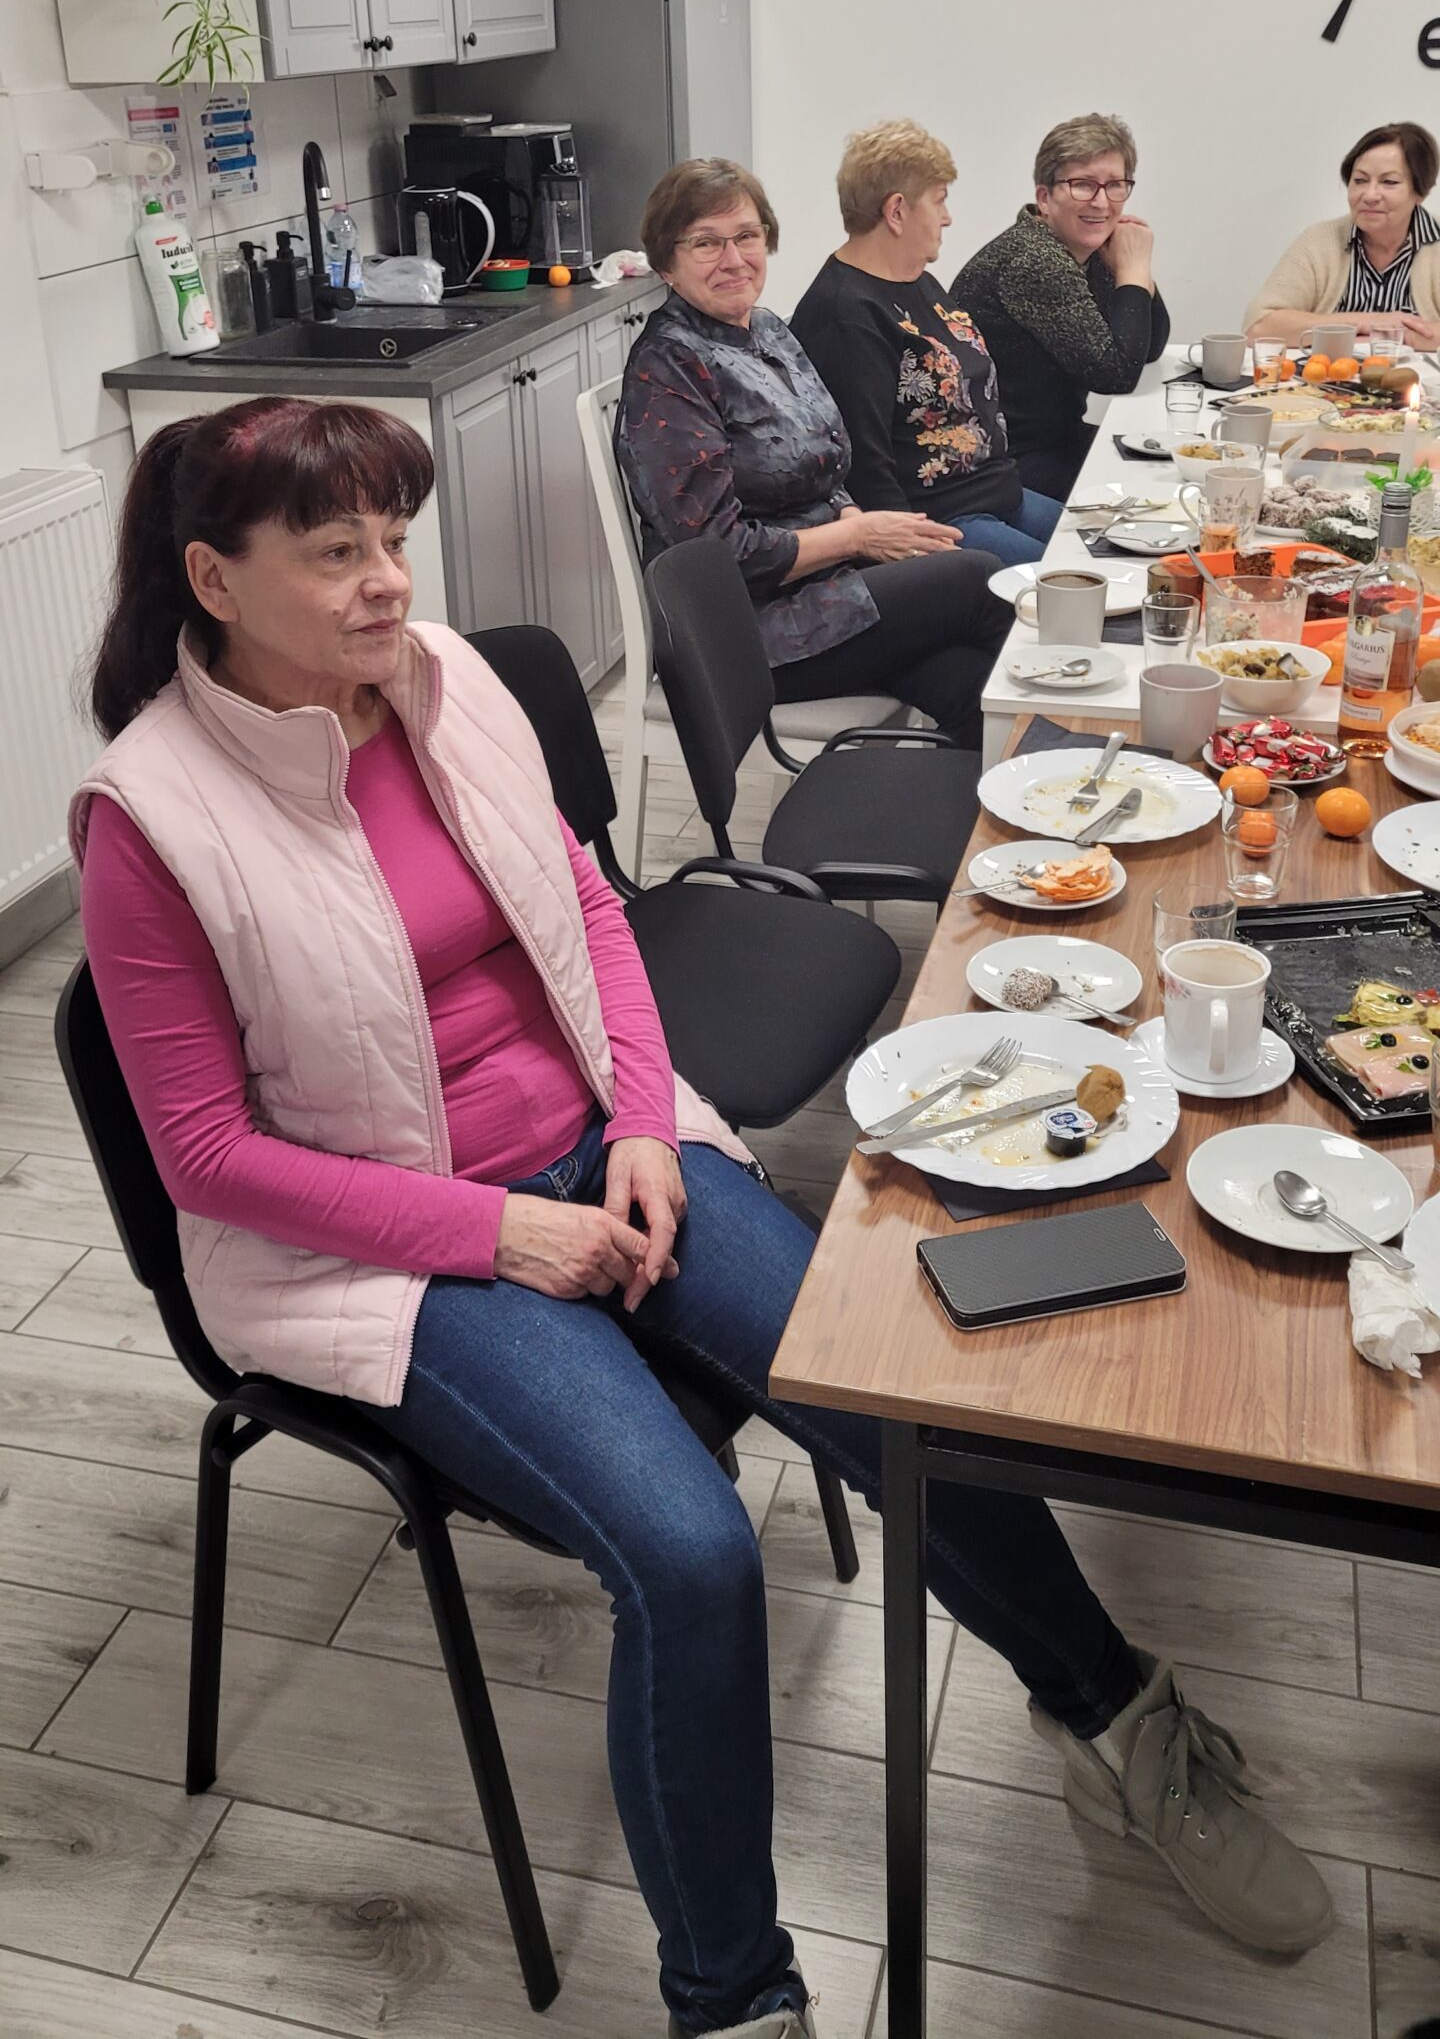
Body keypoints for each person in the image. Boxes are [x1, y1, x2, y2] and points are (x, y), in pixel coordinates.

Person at [75, 399, 1332, 2039]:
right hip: (391, 1243)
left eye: (393, 540)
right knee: (689, 1554)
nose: (388, 581)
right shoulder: (155, 817)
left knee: (897, 1385)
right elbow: (205, 1161)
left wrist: (646, 1123)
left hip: (606, 1143)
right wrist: (500, 1237)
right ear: (213, 581)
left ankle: (1115, 1716)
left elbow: (589, 911)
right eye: (335, 554)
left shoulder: (443, 685)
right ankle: (736, 2004)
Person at [616, 158, 1009, 749]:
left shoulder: (768, 330)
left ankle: (934, 807)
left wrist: (857, 522)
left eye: (747, 236)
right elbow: (717, 556)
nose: (733, 259)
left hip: (827, 594)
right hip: (742, 634)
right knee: (981, 579)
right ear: (666, 264)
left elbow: (824, 465)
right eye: (706, 243)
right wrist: (857, 538)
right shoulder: (669, 367)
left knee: (972, 683)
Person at [789, 118, 1061, 566]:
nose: (947, 217)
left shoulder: (920, 282)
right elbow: (866, 471)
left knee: (1109, 555)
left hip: (998, 492)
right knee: (1079, 589)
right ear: (897, 211)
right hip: (941, 520)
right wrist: (923, 566)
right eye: (939, 201)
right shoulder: (845, 315)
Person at [948, 114, 1170, 502]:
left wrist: (1131, 270)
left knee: (1171, 465)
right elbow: (1117, 374)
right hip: (1005, 458)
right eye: (1083, 185)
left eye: (1115, 185)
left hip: (1054, 440)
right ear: (1044, 197)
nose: (1101, 202)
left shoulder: (1083, 249)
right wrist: (1133, 270)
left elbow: (1149, 348)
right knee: (1154, 492)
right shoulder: (1034, 259)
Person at [1244, 122, 1440, 350]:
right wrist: (1367, 322)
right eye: (1360, 180)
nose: (1370, 195)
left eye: (1389, 182)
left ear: (1420, 192)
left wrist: (1393, 337)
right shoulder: (1319, 241)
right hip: (1329, 372)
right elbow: (1259, 327)